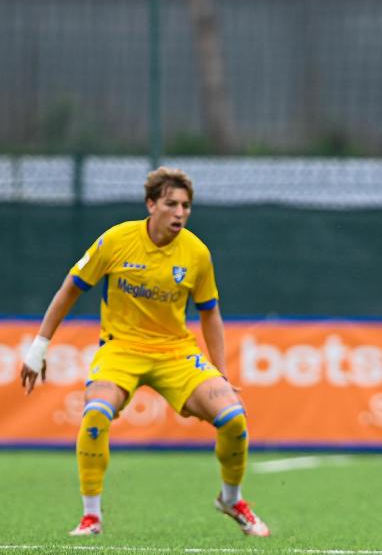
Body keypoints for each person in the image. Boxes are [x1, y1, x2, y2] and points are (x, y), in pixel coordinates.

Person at [20, 167, 268, 537]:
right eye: (171, 204)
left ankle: (231, 499)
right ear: (151, 205)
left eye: (186, 206)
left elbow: (210, 312)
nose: (180, 213)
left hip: (175, 353)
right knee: (95, 414)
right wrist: (39, 347)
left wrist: (221, 372)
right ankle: (91, 517)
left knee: (234, 418)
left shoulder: (197, 253)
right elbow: (70, 288)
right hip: (120, 349)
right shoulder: (116, 240)